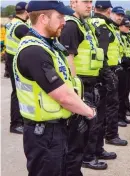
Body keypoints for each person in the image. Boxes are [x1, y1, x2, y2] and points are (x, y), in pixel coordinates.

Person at [15, 1, 96, 175]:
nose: (64, 22)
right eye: (59, 17)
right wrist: (89, 112)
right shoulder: (34, 51)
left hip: (56, 128)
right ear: (43, 18)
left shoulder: (49, 45)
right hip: (43, 134)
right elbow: (62, 95)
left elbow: (68, 82)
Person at [59, 0, 109, 172]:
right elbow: (68, 58)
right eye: (85, 1)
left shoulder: (83, 24)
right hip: (80, 85)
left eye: (91, 2)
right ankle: (79, 164)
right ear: (73, 3)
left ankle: (85, 159)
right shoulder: (72, 25)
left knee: (88, 129)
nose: (90, 5)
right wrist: (75, 90)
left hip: (90, 82)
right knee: (77, 136)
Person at [89, 0, 128, 147]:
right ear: (108, 11)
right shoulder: (103, 26)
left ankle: (99, 144)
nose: (119, 18)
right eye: (117, 14)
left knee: (100, 109)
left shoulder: (90, 22)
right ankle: (111, 135)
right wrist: (107, 74)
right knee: (109, 106)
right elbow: (102, 53)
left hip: (98, 70)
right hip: (105, 71)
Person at [5, 1, 29, 134]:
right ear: (26, 12)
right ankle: (15, 124)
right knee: (18, 92)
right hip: (16, 60)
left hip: (10, 58)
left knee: (17, 91)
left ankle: (18, 121)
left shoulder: (12, 22)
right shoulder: (21, 27)